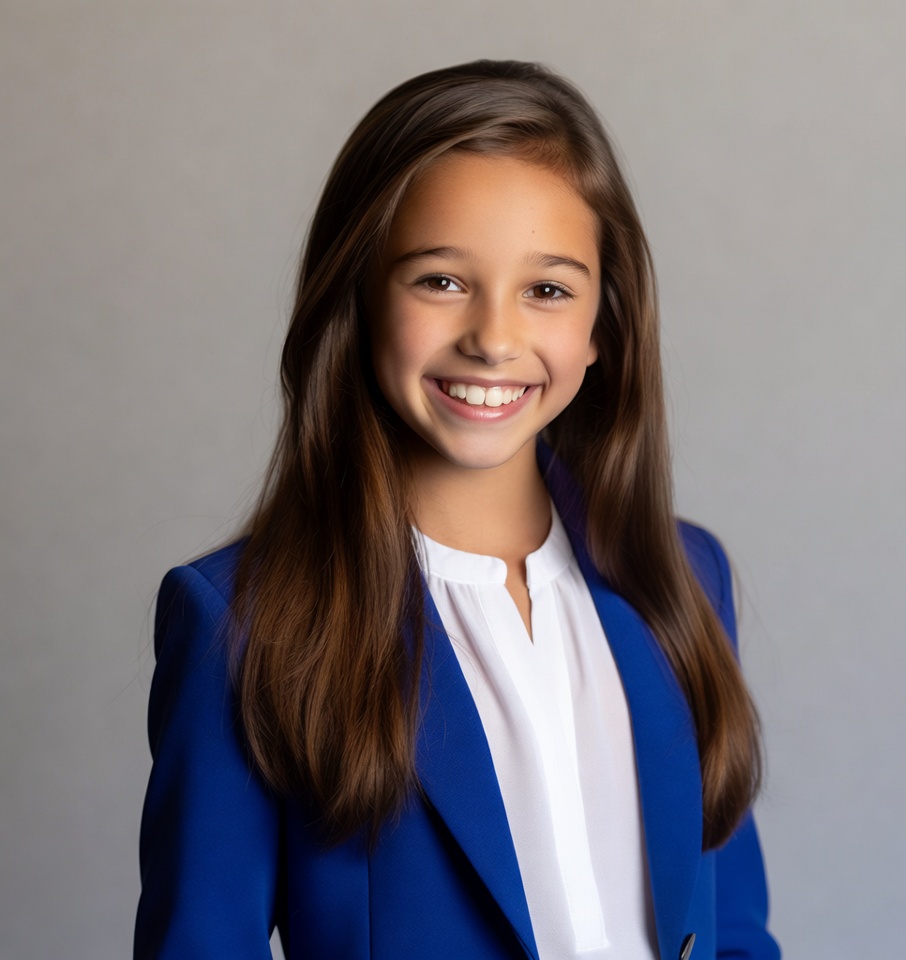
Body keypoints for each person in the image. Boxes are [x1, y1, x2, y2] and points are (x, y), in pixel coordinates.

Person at [134, 60, 780, 960]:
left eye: (547, 289)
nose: (494, 337)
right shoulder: (245, 623)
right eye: (440, 280)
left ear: (603, 327)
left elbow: (737, 932)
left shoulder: (682, 576)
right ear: (357, 296)